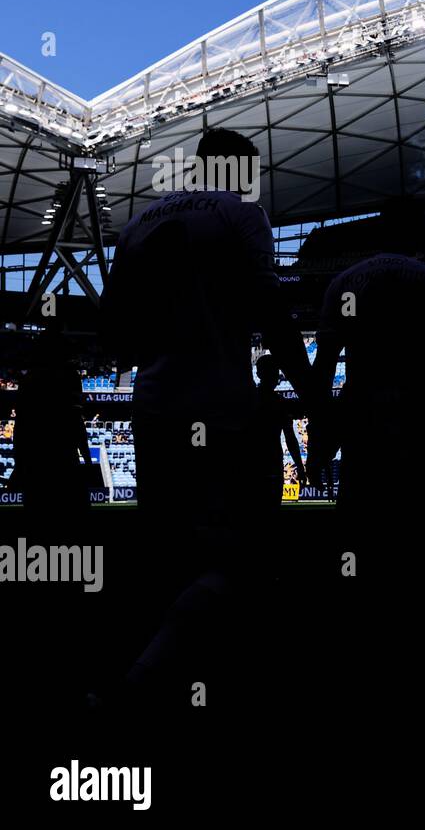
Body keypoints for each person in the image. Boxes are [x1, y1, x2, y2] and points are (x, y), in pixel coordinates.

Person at [99, 127, 313, 707]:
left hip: (154, 405)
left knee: (163, 551)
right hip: (218, 409)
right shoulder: (242, 214)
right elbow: (269, 308)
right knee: (237, 554)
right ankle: (165, 684)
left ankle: (138, 680)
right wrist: (310, 387)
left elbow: (113, 332)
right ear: (238, 168)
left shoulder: (138, 223)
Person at [310, 199, 425, 512]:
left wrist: (318, 442)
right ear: (414, 234)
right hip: (423, 426)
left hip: (363, 429)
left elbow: (322, 372)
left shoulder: (344, 281)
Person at [10, 325, 94, 513]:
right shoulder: (70, 377)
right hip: (64, 462)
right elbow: (76, 422)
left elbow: (20, 427)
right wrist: (87, 462)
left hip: (36, 464)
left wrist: (20, 465)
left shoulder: (29, 379)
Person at [253, 354, 305, 509]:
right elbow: (290, 438)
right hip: (271, 465)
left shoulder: (250, 400)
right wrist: (300, 469)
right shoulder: (279, 404)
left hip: (251, 466)